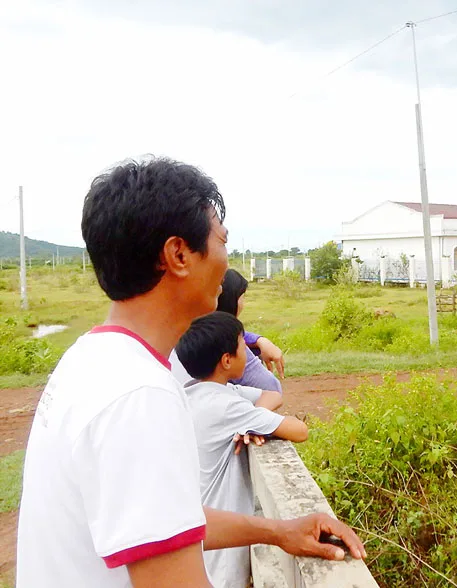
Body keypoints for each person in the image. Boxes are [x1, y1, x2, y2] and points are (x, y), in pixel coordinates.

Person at [16, 158, 364, 587]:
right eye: (221, 239)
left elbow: (161, 521)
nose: (227, 257)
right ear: (179, 254)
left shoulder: (88, 359)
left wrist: (277, 530)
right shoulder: (140, 394)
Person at [176, 311, 308, 588]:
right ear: (226, 360)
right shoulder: (227, 407)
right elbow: (299, 430)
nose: (248, 353)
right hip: (222, 558)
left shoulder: (197, 395)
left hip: (203, 538)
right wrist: (251, 421)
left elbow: (273, 396)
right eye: (242, 346)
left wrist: (251, 422)